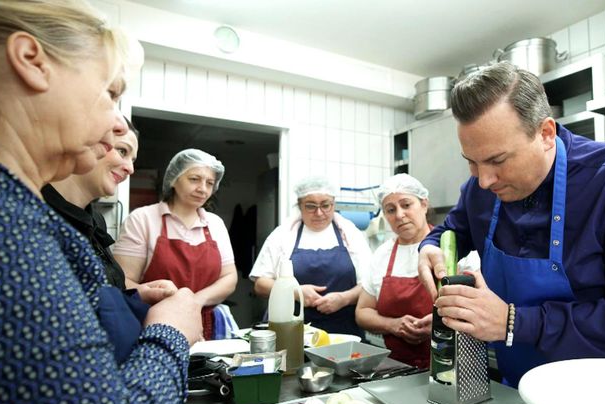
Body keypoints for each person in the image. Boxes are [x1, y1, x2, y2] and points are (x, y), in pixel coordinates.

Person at [0, 1, 203, 404]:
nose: (112, 125)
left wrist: (130, 300)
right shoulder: (4, 225)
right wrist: (171, 333)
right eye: (110, 94)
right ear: (31, 61)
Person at [418, 61, 605, 389]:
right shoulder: (481, 190)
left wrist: (513, 322)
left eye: (497, 161)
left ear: (545, 134)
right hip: (524, 392)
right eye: (472, 161)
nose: (484, 180)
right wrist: (430, 247)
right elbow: (452, 229)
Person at [42, 116, 179, 363]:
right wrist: (168, 332)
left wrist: (139, 292)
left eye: (133, 159)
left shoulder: (95, 221)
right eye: (122, 151)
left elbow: (98, 294)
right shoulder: (41, 220)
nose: (130, 168)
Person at [114, 149, 237, 341]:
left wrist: (195, 302)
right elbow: (122, 281)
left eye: (210, 183)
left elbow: (229, 277)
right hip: (153, 326)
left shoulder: (215, 224)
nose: (203, 189)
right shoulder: (143, 219)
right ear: (174, 179)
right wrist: (167, 300)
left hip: (208, 329)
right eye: (194, 179)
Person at [251, 175, 371, 338]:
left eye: (325, 205)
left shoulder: (351, 235)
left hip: (343, 332)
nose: (319, 212)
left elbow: (370, 285)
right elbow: (260, 285)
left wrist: (344, 298)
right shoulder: (282, 235)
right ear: (300, 206)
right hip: (290, 332)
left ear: (333, 204)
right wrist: (294, 292)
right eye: (310, 206)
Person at [355, 174, 434, 368]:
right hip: (397, 367)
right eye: (390, 210)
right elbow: (362, 312)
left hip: (449, 366)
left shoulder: (450, 246)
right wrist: (393, 325)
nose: (399, 215)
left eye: (406, 205)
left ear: (424, 204)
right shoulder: (382, 254)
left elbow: (475, 304)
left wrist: (440, 324)